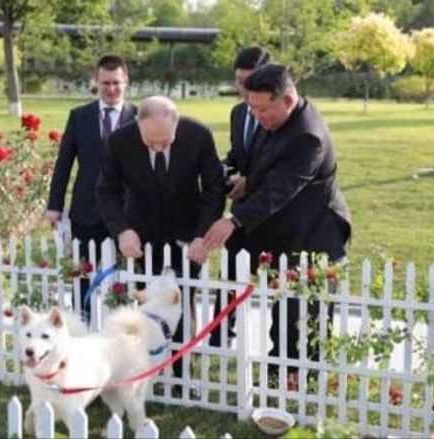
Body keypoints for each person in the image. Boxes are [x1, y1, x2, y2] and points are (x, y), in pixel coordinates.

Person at [203, 63, 352, 376]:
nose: (257, 116)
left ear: (287, 99)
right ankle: (279, 371)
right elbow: (265, 169)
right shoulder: (274, 121)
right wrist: (247, 183)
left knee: (302, 317)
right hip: (284, 233)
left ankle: (303, 379)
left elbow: (280, 189)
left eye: (262, 109)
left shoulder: (307, 136)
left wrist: (232, 220)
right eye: (251, 108)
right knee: (283, 310)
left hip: (314, 236)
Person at [97, 96, 225, 376]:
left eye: (164, 142)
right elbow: (106, 192)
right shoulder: (118, 141)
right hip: (141, 235)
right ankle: (146, 368)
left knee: (182, 298)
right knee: (147, 302)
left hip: (188, 235)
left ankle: (179, 371)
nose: (157, 147)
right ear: (137, 126)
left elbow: (215, 188)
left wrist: (202, 235)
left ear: (176, 125)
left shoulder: (199, 135)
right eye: (150, 142)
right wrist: (122, 230)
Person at [46, 55, 137, 319]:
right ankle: (82, 326)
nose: (111, 89)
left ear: (126, 81)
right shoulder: (79, 117)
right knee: (82, 275)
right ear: (95, 81)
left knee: (123, 277)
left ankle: (121, 329)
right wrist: (55, 205)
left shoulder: (139, 116)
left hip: (126, 213)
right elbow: (64, 163)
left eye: (116, 83)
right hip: (86, 210)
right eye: (105, 83)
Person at [210, 46, 271, 348]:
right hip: (241, 210)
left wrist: (251, 181)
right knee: (229, 276)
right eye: (239, 80)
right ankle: (221, 335)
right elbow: (238, 154)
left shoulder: (276, 114)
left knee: (278, 284)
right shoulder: (237, 113)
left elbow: (279, 165)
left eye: (251, 81)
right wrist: (220, 168)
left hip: (274, 211)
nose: (244, 89)